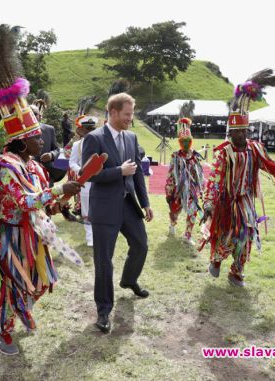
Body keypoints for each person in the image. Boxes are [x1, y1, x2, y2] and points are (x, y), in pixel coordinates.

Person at [0, 23, 83, 355]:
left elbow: (44, 205)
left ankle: (23, 308)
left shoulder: (35, 165)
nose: (42, 140)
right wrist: (61, 188)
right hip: (11, 237)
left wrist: (63, 198)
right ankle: (4, 332)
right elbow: (24, 202)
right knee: (14, 285)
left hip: (34, 234)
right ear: (22, 141)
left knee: (40, 282)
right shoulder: (6, 167)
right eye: (36, 137)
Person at [200, 69, 275, 287]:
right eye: (237, 132)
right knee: (227, 237)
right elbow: (214, 180)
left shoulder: (254, 149)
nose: (241, 135)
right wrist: (209, 205)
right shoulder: (224, 153)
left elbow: (274, 167)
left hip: (246, 201)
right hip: (227, 203)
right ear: (230, 133)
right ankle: (217, 258)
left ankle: (236, 272)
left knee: (246, 236)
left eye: (244, 131)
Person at [82, 92, 153, 333]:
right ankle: (103, 310)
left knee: (141, 245)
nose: (130, 119)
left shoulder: (131, 138)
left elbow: (138, 173)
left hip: (128, 205)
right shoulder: (94, 138)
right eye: (126, 114)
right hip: (104, 208)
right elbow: (88, 174)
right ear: (112, 112)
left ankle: (129, 280)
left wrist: (145, 203)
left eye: (131, 115)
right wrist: (117, 172)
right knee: (104, 262)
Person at [31, 105, 77, 222]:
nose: (33, 116)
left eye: (35, 113)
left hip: (46, 173)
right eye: (29, 113)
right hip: (28, 176)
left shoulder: (49, 129)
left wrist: (51, 155)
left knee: (47, 204)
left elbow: (57, 149)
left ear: (40, 115)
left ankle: (46, 225)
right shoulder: (19, 133)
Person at [165, 117, 204, 248]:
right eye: (183, 141)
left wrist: (200, 188)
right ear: (180, 142)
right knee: (174, 211)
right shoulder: (175, 156)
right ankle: (172, 224)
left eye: (188, 141)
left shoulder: (195, 156)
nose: (186, 143)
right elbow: (171, 174)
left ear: (191, 141)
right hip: (178, 190)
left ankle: (187, 235)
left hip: (191, 191)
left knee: (192, 211)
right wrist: (169, 191)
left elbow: (199, 173)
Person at [69, 115, 98, 246]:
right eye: (88, 129)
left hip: (100, 181)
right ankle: (90, 238)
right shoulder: (77, 145)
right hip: (86, 182)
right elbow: (72, 162)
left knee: (100, 208)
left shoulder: (100, 142)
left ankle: (99, 234)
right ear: (81, 130)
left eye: (93, 129)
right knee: (86, 210)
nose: (91, 131)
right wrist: (80, 170)